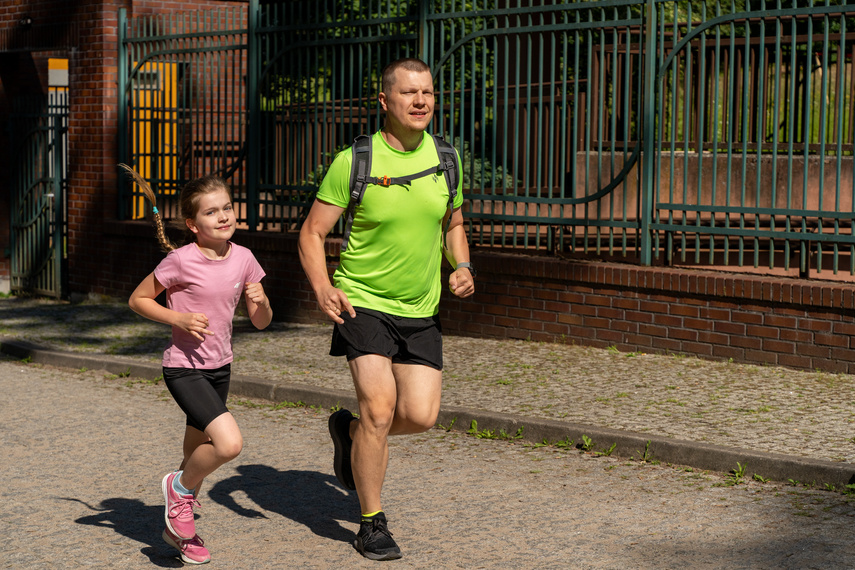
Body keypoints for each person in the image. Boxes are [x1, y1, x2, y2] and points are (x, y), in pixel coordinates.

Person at [298, 57, 475, 561]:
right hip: (363, 303)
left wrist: (462, 265)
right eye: (409, 93)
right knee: (379, 409)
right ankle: (371, 522)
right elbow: (312, 233)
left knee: (419, 416)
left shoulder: (447, 159)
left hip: (421, 308)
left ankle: (350, 433)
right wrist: (322, 288)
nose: (421, 102)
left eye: (428, 93)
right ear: (384, 101)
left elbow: (453, 223)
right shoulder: (355, 161)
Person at [125, 167, 273, 565]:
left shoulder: (244, 258)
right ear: (192, 224)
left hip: (220, 367)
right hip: (183, 368)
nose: (223, 216)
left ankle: (178, 532)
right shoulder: (180, 261)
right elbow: (138, 300)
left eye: (227, 207)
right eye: (211, 212)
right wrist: (178, 319)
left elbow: (262, 322)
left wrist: (259, 301)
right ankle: (178, 490)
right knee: (228, 444)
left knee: (195, 455)